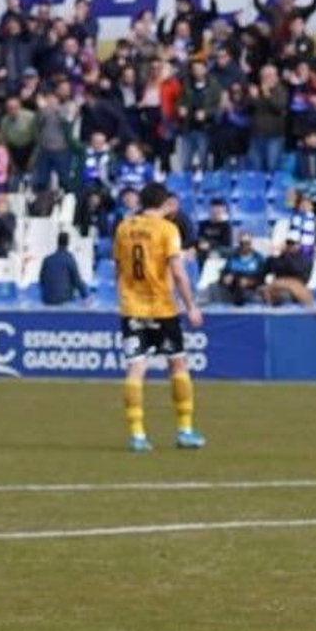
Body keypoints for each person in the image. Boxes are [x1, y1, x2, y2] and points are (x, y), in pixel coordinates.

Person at [113, 181, 204, 453]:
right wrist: (191, 306)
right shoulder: (167, 229)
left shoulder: (123, 228)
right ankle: (185, 430)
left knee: (135, 368)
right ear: (164, 204)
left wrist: (124, 297)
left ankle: (137, 435)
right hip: (162, 308)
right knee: (178, 364)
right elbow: (178, 272)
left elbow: (118, 269)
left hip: (132, 308)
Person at [38, 230, 88, 305]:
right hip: (64, 300)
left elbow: (41, 280)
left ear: (57, 242)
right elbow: (77, 280)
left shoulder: (47, 260)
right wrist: (85, 296)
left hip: (47, 299)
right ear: (68, 243)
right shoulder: (69, 258)